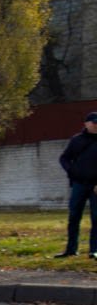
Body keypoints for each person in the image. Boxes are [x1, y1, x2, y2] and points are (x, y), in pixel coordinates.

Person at [56, 111, 97, 260]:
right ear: (86, 124)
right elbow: (64, 158)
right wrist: (71, 171)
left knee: (96, 218)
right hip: (79, 184)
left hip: (95, 186)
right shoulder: (77, 140)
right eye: (94, 123)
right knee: (74, 217)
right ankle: (71, 249)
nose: (96, 126)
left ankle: (94, 250)